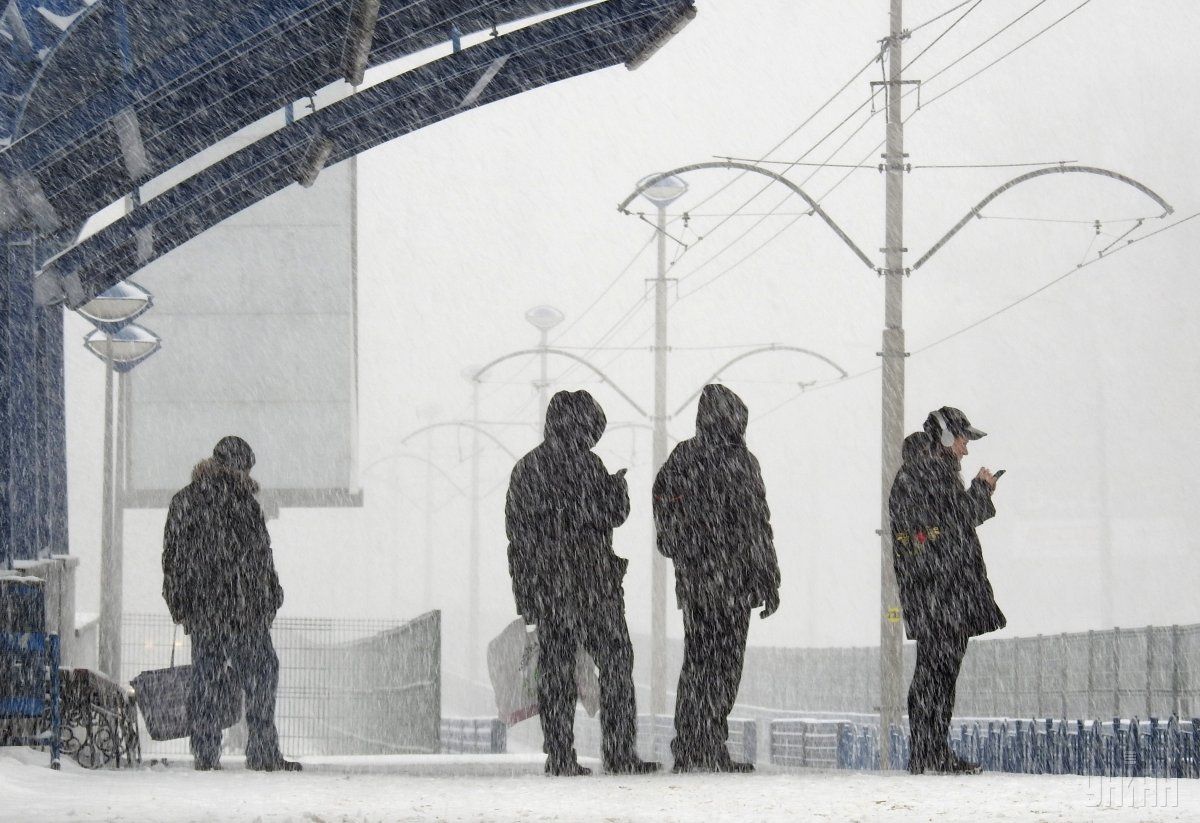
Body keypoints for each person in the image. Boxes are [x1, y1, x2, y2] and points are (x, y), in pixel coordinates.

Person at [505, 390, 658, 776]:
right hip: (594, 586)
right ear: (581, 425)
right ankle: (619, 752)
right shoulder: (588, 466)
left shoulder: (528, 469)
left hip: (552, 590)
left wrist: (526, 595)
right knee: (616, 665)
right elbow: (613, 514)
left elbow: (517, 539)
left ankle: (560, 756)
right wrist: (617, 490)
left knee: (556, 673)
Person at [653, 384, 780, 773]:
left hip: (700, 583)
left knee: (700, 663)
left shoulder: (684, 458)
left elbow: (664, 511)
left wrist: (682, 545)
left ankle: (694, 746)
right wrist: (767, 579)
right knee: (722, 667)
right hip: (731, 583)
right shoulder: (742, 462)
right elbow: (758, 525)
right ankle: (706, 745)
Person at [161, 435, 300, 772]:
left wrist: (181, 604)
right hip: (244, 609)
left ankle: (206, 753)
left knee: (207, 679)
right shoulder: (243, 503)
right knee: (262, 674)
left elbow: (173, 559)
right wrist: (270, 595)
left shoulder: (186, 501)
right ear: (240, 465)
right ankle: (263, 752)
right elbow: (260, 558)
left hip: (208, 610)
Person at [889, 407, 1004, 775]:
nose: (965, 450)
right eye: (962, 439)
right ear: (942, 436)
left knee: (938, 673)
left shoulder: (923, 473)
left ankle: (931, 752)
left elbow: (948, 523)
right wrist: (982, 490)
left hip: (937, 591)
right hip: (941, 591)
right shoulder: (928, 474)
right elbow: (957, 521)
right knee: (935, 674)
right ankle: (929, 753)